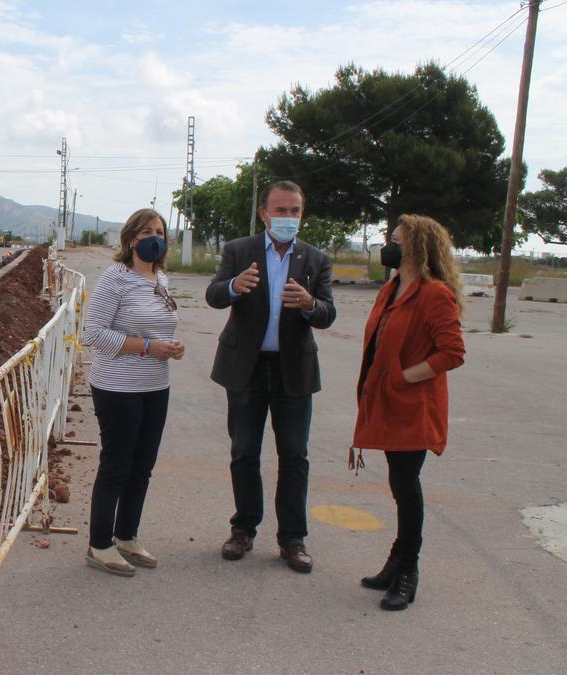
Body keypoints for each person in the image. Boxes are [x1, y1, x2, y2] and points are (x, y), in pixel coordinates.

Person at [205, 180, 335, 573]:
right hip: (245, 368)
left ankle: (292, 539)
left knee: (294, 456)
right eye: (280, 210)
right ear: (264, 213)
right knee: (244, 452)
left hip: (293, 371)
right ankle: (243, 528)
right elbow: (213, 295)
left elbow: (329, 313)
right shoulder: (238, 250)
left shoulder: (315, 259)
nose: (288, 217)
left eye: (295, 211)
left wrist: (311, 304)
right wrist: (233, 286)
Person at [351, 214, 465, 611]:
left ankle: (407, 571)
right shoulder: (392, 287)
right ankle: (396, 561)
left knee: (406, 485)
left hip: (413, 407)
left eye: (396, 240)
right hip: (387, 403)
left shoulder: (435, 294)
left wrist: (402, 378)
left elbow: (452, 353)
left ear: (417, 248)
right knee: (400, 485)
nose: (389, 245)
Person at [81, 208, 184, 576]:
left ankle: (126, 536)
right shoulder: (115, 278)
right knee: (117, 466)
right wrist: (146, 347)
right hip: (118, 387)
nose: (154, 237)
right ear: (130, 239)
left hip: (156, 386)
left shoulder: (161, 279)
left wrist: (169, 346)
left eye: (159, 231)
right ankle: (100, 544)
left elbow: (157, 328)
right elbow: (92, 333)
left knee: (142, 467)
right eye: (146, 232)